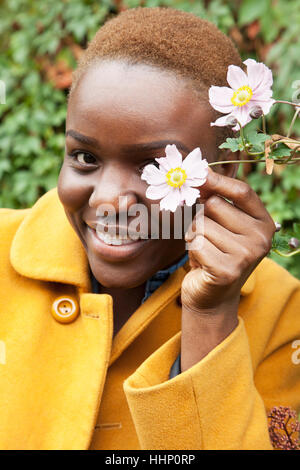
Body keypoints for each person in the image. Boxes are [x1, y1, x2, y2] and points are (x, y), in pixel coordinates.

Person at [0, 7, 299, 450]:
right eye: (85, 157)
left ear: (228, 172)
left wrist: (211, 317)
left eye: (157, 166)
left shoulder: (281, 314)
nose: (108, 199)